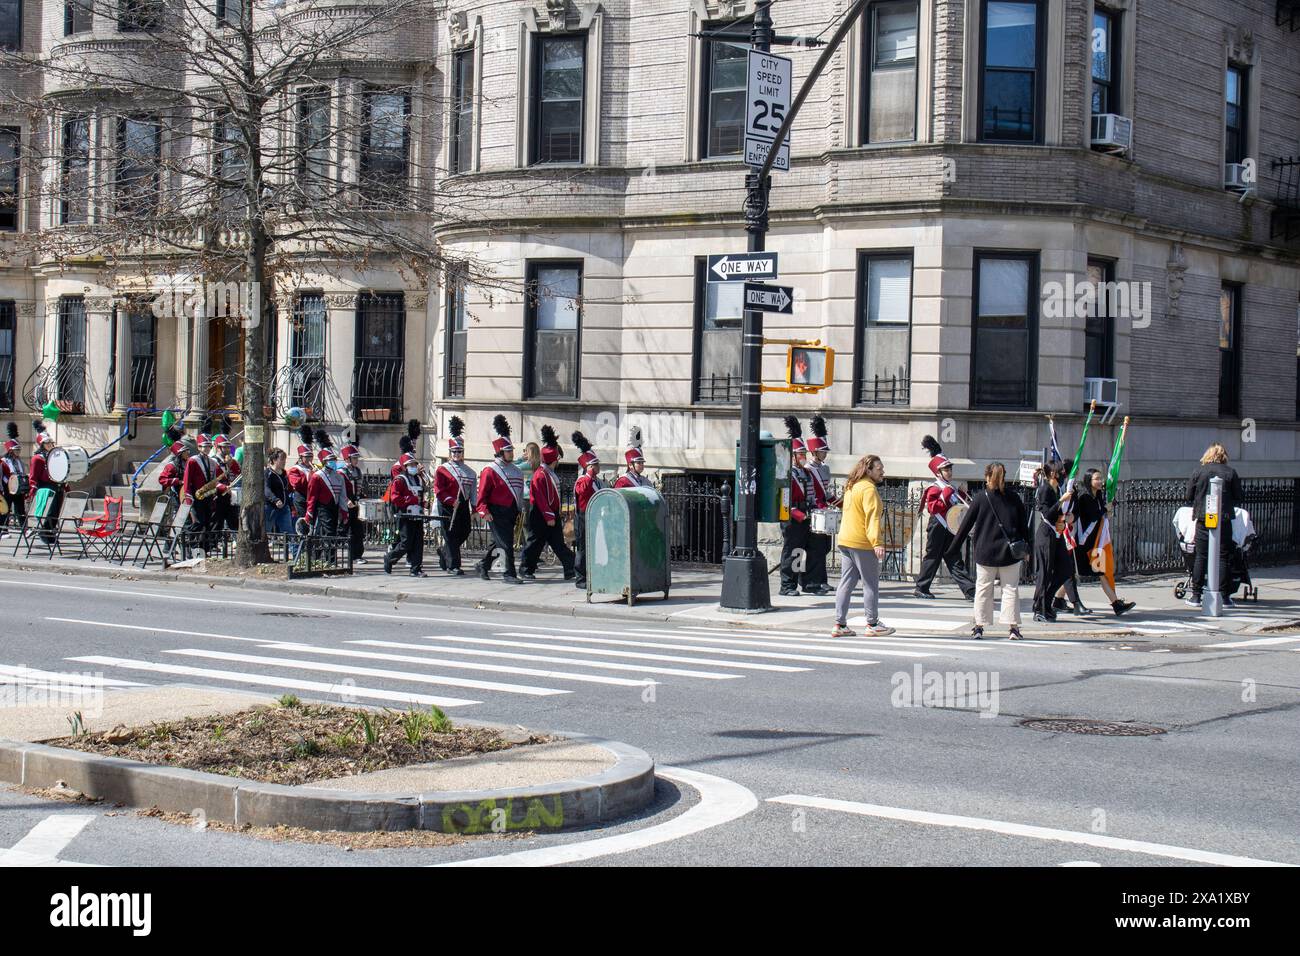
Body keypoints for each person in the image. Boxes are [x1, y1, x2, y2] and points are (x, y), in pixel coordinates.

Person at [946, 462, 1031, 640]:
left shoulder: (980, 498)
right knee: (1010, 590)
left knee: (983, 590)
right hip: (1010, 552)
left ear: (986, 477)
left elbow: (965, 525)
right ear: (1004, 477)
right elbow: (1023, 525)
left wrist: (953, 548)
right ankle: (1013, 628)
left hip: (985, 551)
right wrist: (1027, 548)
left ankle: (979, 627)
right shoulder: (1014, 498)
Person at [831, 454, 895, 638]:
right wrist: (877, 543)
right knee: (870, 584)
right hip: (862, 542)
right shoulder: (869, 489)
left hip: (845, 540)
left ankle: (840, 624)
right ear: (868, 470)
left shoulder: (852, 486)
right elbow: (872, 518)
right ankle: (872, 623)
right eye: (879, 468)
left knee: (846, 583)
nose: (882, 471)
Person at [913, 435, 976, 601]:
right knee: (932, 557)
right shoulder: (935, 488)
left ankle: (969, 590)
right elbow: (933, 508)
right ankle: (921, 587)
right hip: (937, 526)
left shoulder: (950, 487)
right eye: (946, 470)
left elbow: (955, 508)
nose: (949, 472)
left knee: (954, 557)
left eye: (950, 469)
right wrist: (945, 496)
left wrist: (961, 494)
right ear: (938, 472)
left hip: (948, 527)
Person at [1184, 442, 1244, 608]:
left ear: (1208, 455)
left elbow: (1188, 495)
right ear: (1223, 456)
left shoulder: (1198, 472)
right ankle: (1223, 596)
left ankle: (1196, 595)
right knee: (1223, 557)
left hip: (1203, 519)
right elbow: (1239, 496)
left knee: (1201, 556)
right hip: (1223, 519)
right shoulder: (1230, 472)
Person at [1070, 467, 1135, 616]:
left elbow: (1101, 513)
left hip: (1096, 541)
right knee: (1073, 574)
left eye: (1101, 478)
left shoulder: (1099, 495)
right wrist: (1105, 509)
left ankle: (1116, 604)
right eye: (1096, 479)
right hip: (1083, 543)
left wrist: (1109, 507)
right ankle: (1057, 599)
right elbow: (1092, 515)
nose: (1100, 481)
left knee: (1101, 573)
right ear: (1089, 480)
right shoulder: (1084, 497)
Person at [520, 425, 576, 580]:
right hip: (540, 514)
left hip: (550, 515)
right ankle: (525, 569)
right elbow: (540, 497)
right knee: (534, 543)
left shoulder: (549, 473)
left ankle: (571, 568)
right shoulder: (540, 474)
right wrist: (549, 515)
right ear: (553, 460)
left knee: (558, 544)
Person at [475, 414, 525, 583]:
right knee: (505, 544)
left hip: (510, 511)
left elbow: (517, 492)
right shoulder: (491, 470)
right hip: (495, 511)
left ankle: (483, 565)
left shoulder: (516, 470)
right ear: (500, 452)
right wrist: (484, 511)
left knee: (499, 542)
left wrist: (518, 510)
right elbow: (482, 494)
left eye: (512, 450)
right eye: (508, 451)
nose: (512, 453)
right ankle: (508, 574)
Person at [779, 416, 819, 597]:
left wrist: (818, 509)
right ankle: (787, 585)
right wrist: (799, 515)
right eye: (800, 455)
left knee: (807, 550)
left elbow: (817, 494)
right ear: (793, 456)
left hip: (807, 515)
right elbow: (783, 501)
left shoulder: (808, 473)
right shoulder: (786, 474)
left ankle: (808, 582)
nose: (804, 458)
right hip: (793, 518)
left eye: (804, 454)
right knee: (792, 552)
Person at [1032, 458, 1075, 622]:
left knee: (1065, 569)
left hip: (1057, 534)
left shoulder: (1057, 489)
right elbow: (1046, 513)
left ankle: (1046, 601)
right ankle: (1040, 609)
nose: (1063, 474)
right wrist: (1061, 501)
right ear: (1052, 473)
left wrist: (1067, 516)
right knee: (1045, 573)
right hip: (1046, 534)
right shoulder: (1045, 489)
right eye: (1060, 472)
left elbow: (1058, 514)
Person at [433, 416, 476, 575]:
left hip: (463, 505)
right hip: (447, 506)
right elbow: (438, 489)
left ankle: (445, 552)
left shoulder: (470, 471)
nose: (457, 454)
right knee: (450, 535)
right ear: (450, 453)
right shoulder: (442, 469)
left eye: (459, 451)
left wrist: (475, 507)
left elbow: (473, 491)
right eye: (454, 451)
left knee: (465, 531)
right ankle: (453, 566)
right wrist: (451, 500)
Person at [801, 415, 835, 595]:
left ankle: (822, 581)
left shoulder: (825, 468)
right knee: (816, 549)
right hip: (814, 512)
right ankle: (812, 581)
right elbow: (810, 493)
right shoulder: (808, 469)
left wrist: (841, 503)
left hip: (824, 511)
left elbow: (827, 493)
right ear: (814, 452)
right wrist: (815, 507)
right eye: (822, 451)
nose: (825, 453)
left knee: (825, 548)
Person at [571, 430, 605, 589]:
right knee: (583, 550)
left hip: (595, 517)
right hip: (584, 517)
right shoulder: (582, 480)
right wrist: (589, 474)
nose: (599, 467)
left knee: (596, 547)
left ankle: (593, 574)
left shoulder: (597, 481)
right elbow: (582, 491)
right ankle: (580, 578)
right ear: (590, 466)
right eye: (595, 465)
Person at [384, 451, 426, 577]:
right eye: (410, 464)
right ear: (405, 467)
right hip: (405, 515)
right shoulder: (399, 480)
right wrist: (411, 500)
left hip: (417, 514)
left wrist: (424, 504)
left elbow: (420, 496)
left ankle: (416, 569)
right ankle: (390, 558)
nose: (413, 466)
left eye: (414, 464)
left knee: (418, 542)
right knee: (406, 542)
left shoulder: (419, 479)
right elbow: (395, 497)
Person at [181, 434, 222, 554]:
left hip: (207, 496)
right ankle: (190, 546)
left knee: (207, 522)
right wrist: (189, 498)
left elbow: (213, 479)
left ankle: (203, 549)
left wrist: (213, 493)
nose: (207, 449)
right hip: (196, 496)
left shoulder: (212, 462)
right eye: (205, 446)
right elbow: (187, 481)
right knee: (198, 523)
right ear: (199, 447)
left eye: (209, 446)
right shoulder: (193, 461)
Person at [28, 423, 64, 545]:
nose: (50, 445)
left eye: (50, 443)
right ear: (42, 445)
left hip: (57, 487)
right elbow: (33, 476)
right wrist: (33, 488)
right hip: (46, 487)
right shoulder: (37, 458)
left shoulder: (54, 456)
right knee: (48, 512)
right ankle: (44, 533)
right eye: (47, 443)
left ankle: (51, 533)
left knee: (56, 512)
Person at [340, 444, 365, 563]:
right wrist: (346, 500)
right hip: (345, 504)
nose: (356, 460)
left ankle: (357, 556)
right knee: (342, 530)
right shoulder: (341, 472)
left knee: (358, 531)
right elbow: (340, 489)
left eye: (357, 458)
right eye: (354, 458)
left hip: (356, 504)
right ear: (347, 459)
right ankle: (330, 554)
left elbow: (361, 488)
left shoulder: (358, 471)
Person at [2, 423, 29, 531]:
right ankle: (3, 529)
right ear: (10, 450)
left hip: (19, 488)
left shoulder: (19, 461)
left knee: (20, 509)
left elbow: (22, 472)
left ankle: (24, 528)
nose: (18, 452)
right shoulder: (4, 461)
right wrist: (9, 482)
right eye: (16, 450)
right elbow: (3, 475)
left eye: (19, 450)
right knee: (6, 509)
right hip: (7, 489)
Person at [263, 448, 294, 538]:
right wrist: (275, 500)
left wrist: (290, 504)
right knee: (265, 532)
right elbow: (266, 489)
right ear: (274, 460)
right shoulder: (267, 473)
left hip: (284, 508)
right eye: (282, 459)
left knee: (289, 533)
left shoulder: (284, 473)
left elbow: (285, 490)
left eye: (285, 459)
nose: (284, 462)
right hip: (270, 508)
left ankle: (296, 552)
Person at [287, 427, 314, 522]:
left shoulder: (314, 467)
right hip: (301, 499)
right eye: (307, 457)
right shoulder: (295, 469)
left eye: (311, 456)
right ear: (301, 457)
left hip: (312, 499)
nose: (309, 459)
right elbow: (297, 484)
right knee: (302, 522)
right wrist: (310, 475)